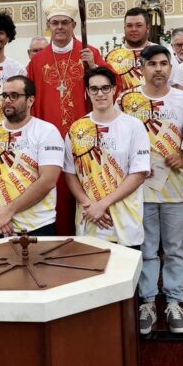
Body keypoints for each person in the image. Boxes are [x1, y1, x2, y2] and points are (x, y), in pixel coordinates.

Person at [119, 45, 183, 335]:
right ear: (142, 67)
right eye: (153, 64)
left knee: (175, 249)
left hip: (177, 189)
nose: (159, 69)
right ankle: (148, 301)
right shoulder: (126, 100)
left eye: (164, 63)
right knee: (147, 249)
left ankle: (175, 301)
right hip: (141, 190)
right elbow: (116, 139)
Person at [26, 0, 112, 236]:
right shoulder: (37, 61)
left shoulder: (90, 53)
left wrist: (95, 64)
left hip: (87, 141)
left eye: (65, 22)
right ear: (49, 26)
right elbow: (29, 101)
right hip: (49, 142)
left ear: (75, 25)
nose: (60, 27)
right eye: (55, 23)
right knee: (56, 194)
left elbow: (111, 86)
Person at [0, 76, 64, 238]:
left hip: (37, 226)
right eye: (4, 96)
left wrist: (9, 211)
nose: (7, 100)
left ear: (30, 100)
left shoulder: (47, 131)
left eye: (14, 95)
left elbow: (48, 180)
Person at [64, 67, 150, 245]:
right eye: (94, 89)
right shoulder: (76, 129)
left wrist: (102, 205)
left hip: (125, 219)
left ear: (113, 89)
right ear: (87, 92)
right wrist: (89, 205)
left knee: (125, 272)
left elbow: (139, 174)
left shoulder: (134, 126)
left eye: (105, 88)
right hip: (89, 218)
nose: (100, 93)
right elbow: (70, 173)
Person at [106, 8, 154, 90]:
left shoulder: (160, 53)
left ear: (148, 28)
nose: (133, 29)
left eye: (139, 25)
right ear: (124, 28)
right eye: (129, 25)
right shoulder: (112, 56)